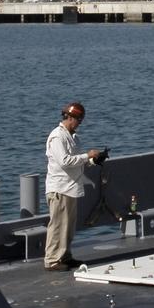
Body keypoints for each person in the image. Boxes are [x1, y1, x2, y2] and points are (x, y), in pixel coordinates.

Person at [44, 101, 102, 270]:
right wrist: (87, 156)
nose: (79, 123)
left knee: (68, 225)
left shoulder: (73, 137)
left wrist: (93, 160)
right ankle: (52, 260)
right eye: (78, 119)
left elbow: (77, 162)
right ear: (68, 117)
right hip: (59, 188)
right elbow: (65, 161)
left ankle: (65, 255)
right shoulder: (57, 137)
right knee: (57, 225)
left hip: (70, 187)